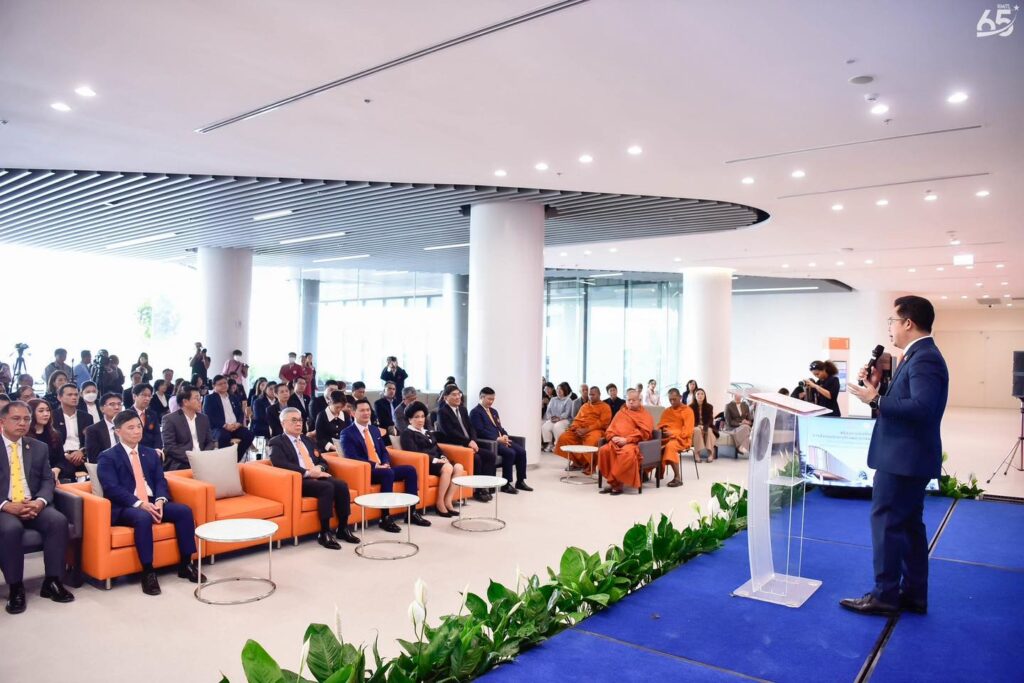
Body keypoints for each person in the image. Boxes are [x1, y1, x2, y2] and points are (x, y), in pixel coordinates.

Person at [842, 295, 948, 617]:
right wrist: (876, 388)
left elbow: (922, 408)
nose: (889, 327)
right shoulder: (916, 355)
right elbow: (908, 401)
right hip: (907, 457)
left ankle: (884, 595)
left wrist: (876, 401)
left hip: (903, 459)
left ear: (908, 323)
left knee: (887, 524)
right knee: (909, 525)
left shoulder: (924, 358)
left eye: (892, 321)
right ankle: (912, 594)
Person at [97, 410, 203, 595]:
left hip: (153, 501)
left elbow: (160, 480)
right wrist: (140, 503)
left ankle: (186, 564)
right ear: (118, 431)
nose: (137, 431)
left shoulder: (150, 453)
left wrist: (161, 500)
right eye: (131, 428)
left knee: (184, 511)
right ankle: (148, 572)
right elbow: (111, 488)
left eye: (139, 426)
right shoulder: (108, 456)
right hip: (127, 506)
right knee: (143, 518)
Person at [1, 400, 75, 614]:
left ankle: (52, 581)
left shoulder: (38, 447)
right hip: (5, 506)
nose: (22, 423)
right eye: (16, 419)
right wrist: (6, 505)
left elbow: (47, 480)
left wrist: (40, 501)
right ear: (2, 421)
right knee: (11, 529)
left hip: (33, 502)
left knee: (58, 521)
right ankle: (16, 587)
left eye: (26, 419)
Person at [269, 407, 359, 549]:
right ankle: (324, 532)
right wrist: (308, 473)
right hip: (299, 479)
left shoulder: (307, 440)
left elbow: (322, 461)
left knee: (341, 485)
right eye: (294, 420)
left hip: (316, 475)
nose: (299, 423)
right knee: (326, 487)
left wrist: (320, 469)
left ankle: (343, 528)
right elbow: (280, 463)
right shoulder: (276, 442)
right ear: (283, 423)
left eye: (300, 420)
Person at [341, 399, 430, 531]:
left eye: (368, 410)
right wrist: (375, 466)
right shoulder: (347, 433)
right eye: (362, 410)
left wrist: (386, 462)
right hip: (367, 471)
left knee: (410, 470)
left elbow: (383, 451)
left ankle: (412, 513)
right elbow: (352, 457)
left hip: (383, 468)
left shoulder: (374, 430)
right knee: (387, 473)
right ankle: (385, 517)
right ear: (353, 413)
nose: (366, 413)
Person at [400, 401, 465, 517]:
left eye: (422, 416)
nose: (420, 420)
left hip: (438, 461)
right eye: (416, 417)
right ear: (410, 419)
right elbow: (415, 452)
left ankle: (448, 500)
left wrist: (443, 457)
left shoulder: (427, 432)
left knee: (459, 467)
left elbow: (437, 448)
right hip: (426, 463)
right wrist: (436, 460)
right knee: (448, 468)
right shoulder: (407, 434)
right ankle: (439, 503)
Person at [434, 384, 496, 502]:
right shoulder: (442, 412)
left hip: (469, 444)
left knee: (490, 456)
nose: (458, 397)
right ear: (446, 397)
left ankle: (486, 487)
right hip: (456, 446)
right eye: (454, 395)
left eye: (459, 394)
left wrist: (473, 440)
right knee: (477, 459)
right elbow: (450, 433)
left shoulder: (462, 409)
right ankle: (477, 491)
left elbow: (471, 427)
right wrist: (468, 442)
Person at [470, 387, 531, 493]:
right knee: (510, 453)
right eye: (489, 399)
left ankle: (520, 481)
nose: (491, 402)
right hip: (491, 442)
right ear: (481, 397)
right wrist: (497, 439)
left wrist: (505, 435)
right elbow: (480, 431)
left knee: (522, 452)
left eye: (493, 399)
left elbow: (499, 427)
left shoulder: (494, 411)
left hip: (502, 439)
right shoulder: (475, 412)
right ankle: (506, 484)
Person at [597, 389, 654, 495]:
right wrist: (613, 437)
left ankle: (616, 483)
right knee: (604, 450)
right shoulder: (621, 412)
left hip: (633, 444)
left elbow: (644, 433)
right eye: (628, 400)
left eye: (634, 400)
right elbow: (611, 429)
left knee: (626, 454)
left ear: (640, 400)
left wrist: (626, 440)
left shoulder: (645, 415)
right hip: (616, 442)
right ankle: (614, 483)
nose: (631, 402)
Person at [555, 386, 611, 474]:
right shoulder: (585, 406)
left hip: (595, 430)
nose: (591, 396)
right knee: (564, 437)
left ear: (599, 395)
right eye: (590, 394)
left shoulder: (605, 407)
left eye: (593, 394)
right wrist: (576, 428)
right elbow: (577, 419)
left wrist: (587, 430)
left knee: (592, 440)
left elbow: (602, 423)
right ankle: (577, 462)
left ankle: (589, 465)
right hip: (580, 429)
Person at [160, 385, 215, 470]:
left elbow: (210, 442)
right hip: (181, 461)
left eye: (200, 398)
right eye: (196, 398)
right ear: (185, 402)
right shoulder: (170, 419)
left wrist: (203, 456)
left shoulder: (203, 418)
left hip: (202, 458)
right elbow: (170, 447)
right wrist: (193, 459)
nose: (200, 401)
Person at [203, 375, 254, 461]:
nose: (224, 385)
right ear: (214, 386)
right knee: (224, 436)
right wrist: (225, 425)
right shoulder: (209, 398)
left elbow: (240, 413)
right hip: (219, 428)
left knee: (249, 434)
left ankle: (235, 458)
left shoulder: (233, 397)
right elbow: (209, 416)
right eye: (220, 384)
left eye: (225, 383)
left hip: (235, 426)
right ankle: (225, 461)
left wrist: (238, 423)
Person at [50, 383, 93, 482]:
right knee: (66, 472)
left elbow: (90, 440)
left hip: (82, 455)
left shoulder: (87, 417)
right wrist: (65, 455)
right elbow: (50, 441)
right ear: (59, 397)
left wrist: (81, 451)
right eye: (70, 395)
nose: (74, 397)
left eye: (76, 394)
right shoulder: (52, 417)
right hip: (61, 456)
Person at [657, 388, 694, 487]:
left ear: (680, 397)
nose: (672, 402)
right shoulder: (667, 411)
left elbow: (688, 431)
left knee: (670, 446)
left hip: (682, 439)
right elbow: (661, 424)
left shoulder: (688, 411)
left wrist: (673, 434)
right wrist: (662, 430)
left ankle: (677, 478)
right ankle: (644, 473)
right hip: (666, 438)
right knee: (651, 445)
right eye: (670, 400)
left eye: (674, 399)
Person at [84, 393, 123, 464]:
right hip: (106, 466)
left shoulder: (128, 426)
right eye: (112, 404)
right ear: (102, 409)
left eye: (119, 404)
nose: (117, 407)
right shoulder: (93, 430)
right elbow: (93, 458)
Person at [27, 399, 64, 469]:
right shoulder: (24, 436)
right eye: (41, 411)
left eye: (48, 410)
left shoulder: (56, 435)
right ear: (31, 414)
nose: (46, 414)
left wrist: (58, 468)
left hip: (54, 473)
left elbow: (61, 460)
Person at [128, 383, 163, 450]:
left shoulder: (152, 414)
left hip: (151, 450)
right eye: (144, 395)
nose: (147, 399)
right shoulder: (127, 414)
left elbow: (157, 435)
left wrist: (157, 449)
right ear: (134, 396)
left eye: (149, 396)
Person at [541, 382, 573, 452]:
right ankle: (550, 444)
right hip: (553, 419)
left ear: (564, 390)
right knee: (545, 426)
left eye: (560, 389)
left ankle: (557, 445)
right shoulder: (553, 399)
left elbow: (566, 413)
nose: (558, 390)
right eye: (557, 389)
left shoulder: (569, 400)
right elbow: (548, 411)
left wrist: (559, 418)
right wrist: (550, 418)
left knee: (557, 426)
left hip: (565, 420)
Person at [691, 388, 717, 462]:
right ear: (695, 396)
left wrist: (704, 427)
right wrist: (697, 425)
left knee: (709, 430)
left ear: (704, 396)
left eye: (702, 394)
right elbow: (690, 420)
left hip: (707, 425)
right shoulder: (690, 407)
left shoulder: (709, 406)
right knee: (697, 430)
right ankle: (697, 453)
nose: (700, 395)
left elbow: (710, 419)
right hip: (695, 426)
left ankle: (710, 454)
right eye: (698, 394)